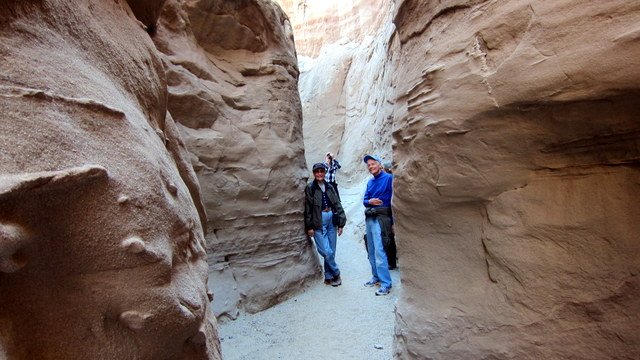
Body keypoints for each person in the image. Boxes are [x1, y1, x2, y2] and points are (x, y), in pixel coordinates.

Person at [304, 162, 347, 287]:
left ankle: (328, 277)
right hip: (318, 221)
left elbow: (337, 204)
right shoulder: (310, 188)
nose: (319, 174)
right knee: (326, 251)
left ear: (325, 172)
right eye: (317, 172)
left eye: (321, 171)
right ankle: (337, 272)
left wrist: (341, 223)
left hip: (331, 220)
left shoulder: (330, 187)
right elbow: (308, 208)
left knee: (332, 251)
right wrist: (309, 226)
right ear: (314, 174)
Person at [362, 154, 393, 295]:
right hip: (370, 216)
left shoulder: (389, 179)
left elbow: (393, 201)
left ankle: (386, 283)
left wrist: (393, 222)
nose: (371, 167)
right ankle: (376, 277)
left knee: (380, 250)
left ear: (380, 165)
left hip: (381, 217)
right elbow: (365, 200)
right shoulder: (370, 182)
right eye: (368, 165)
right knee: (371, 248)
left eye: (373, 164)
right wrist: (370, 202)